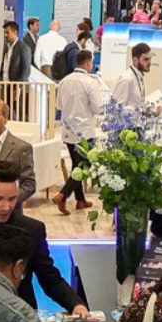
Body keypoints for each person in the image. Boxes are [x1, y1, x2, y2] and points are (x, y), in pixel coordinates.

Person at [0, 160, 90, 315]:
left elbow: (50, 278)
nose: (6, 207)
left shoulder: (33, 229)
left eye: (12, 199)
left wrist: (77, 305)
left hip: (20, 319)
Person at [54, 49, 109, 215]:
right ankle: (63, 195)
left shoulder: (64, 81)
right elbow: (98, 108)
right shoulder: (90, 82)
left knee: (76, 165)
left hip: (68, 131)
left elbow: (59, 106)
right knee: (84, 166)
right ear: (88, 63)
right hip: (84, 132)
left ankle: (80, 200)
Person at [112, 42, 152, 110]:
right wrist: (137, 110)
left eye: (150, 58)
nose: (150, 62)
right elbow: (116, 109)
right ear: (135, 60)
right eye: (146, 59)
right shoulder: (126, 79)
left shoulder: (139, 76)